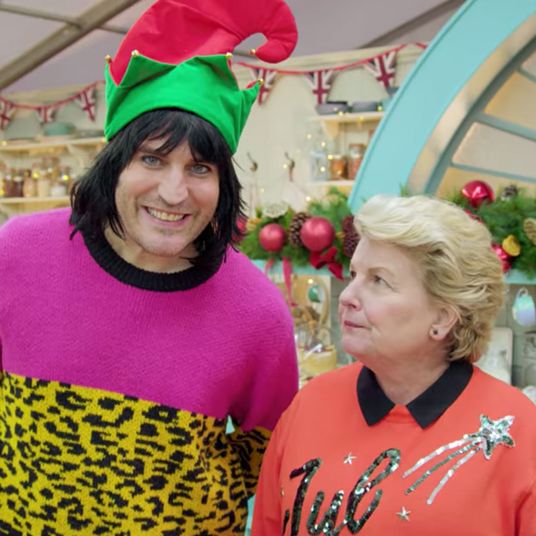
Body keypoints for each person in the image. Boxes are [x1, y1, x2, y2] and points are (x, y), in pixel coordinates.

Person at [0, 1, 299, 534]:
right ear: (114, 164)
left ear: (223, 185)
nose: (174, 192)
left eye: (199, 168)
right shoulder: (17, 254)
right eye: (152, 159)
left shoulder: (256, 312)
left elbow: (271, 448)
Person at [252, 194, 536, 535]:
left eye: (379, 281)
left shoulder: (519, 434)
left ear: (443, 317)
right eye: (354, 274)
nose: (347, 296)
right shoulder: (309, 404)